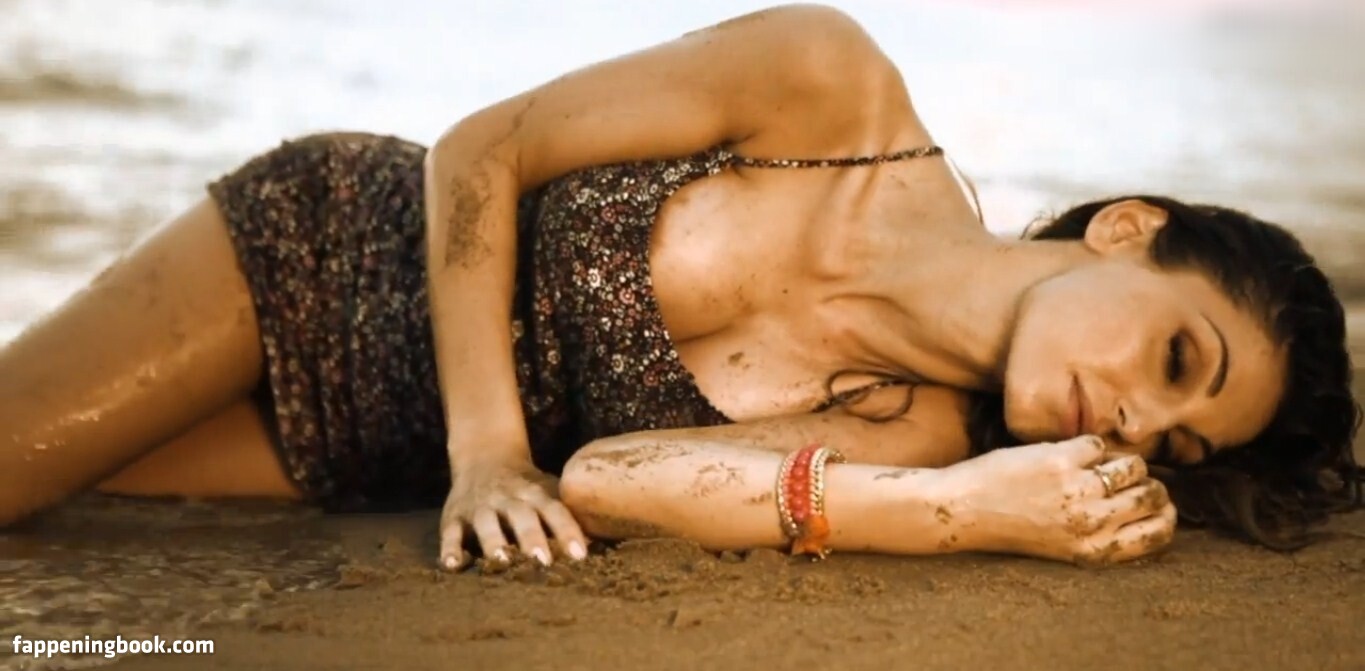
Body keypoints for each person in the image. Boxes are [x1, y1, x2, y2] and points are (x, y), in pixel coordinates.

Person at [0, 5, 1357, 569]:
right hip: (321, 262)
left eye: (1174, 446)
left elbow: (607, 478)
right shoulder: (831, 85)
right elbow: (484, 148)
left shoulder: (919, 434)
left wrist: (956, 511)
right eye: (1177, 362)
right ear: (1126, 229)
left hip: (359, 453)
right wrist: (488, 454)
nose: (1132, 423)